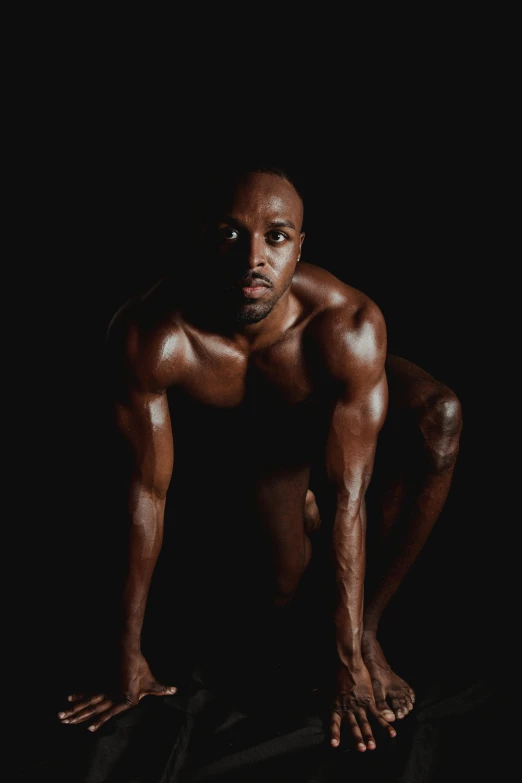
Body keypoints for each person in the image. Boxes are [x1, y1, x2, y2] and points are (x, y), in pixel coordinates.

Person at [57, 161, 462, 759]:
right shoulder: (153, 334)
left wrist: (347, 656)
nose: (253, 258)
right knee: (281, 591)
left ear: (299, 248)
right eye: (230, 233)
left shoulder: (346, 324)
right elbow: (145, 491)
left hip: (324, 392)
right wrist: (128, 653)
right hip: (259, 447)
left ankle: (371, 631)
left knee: (440, 419)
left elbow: (347, 492)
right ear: (204, 240)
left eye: (275, 237)